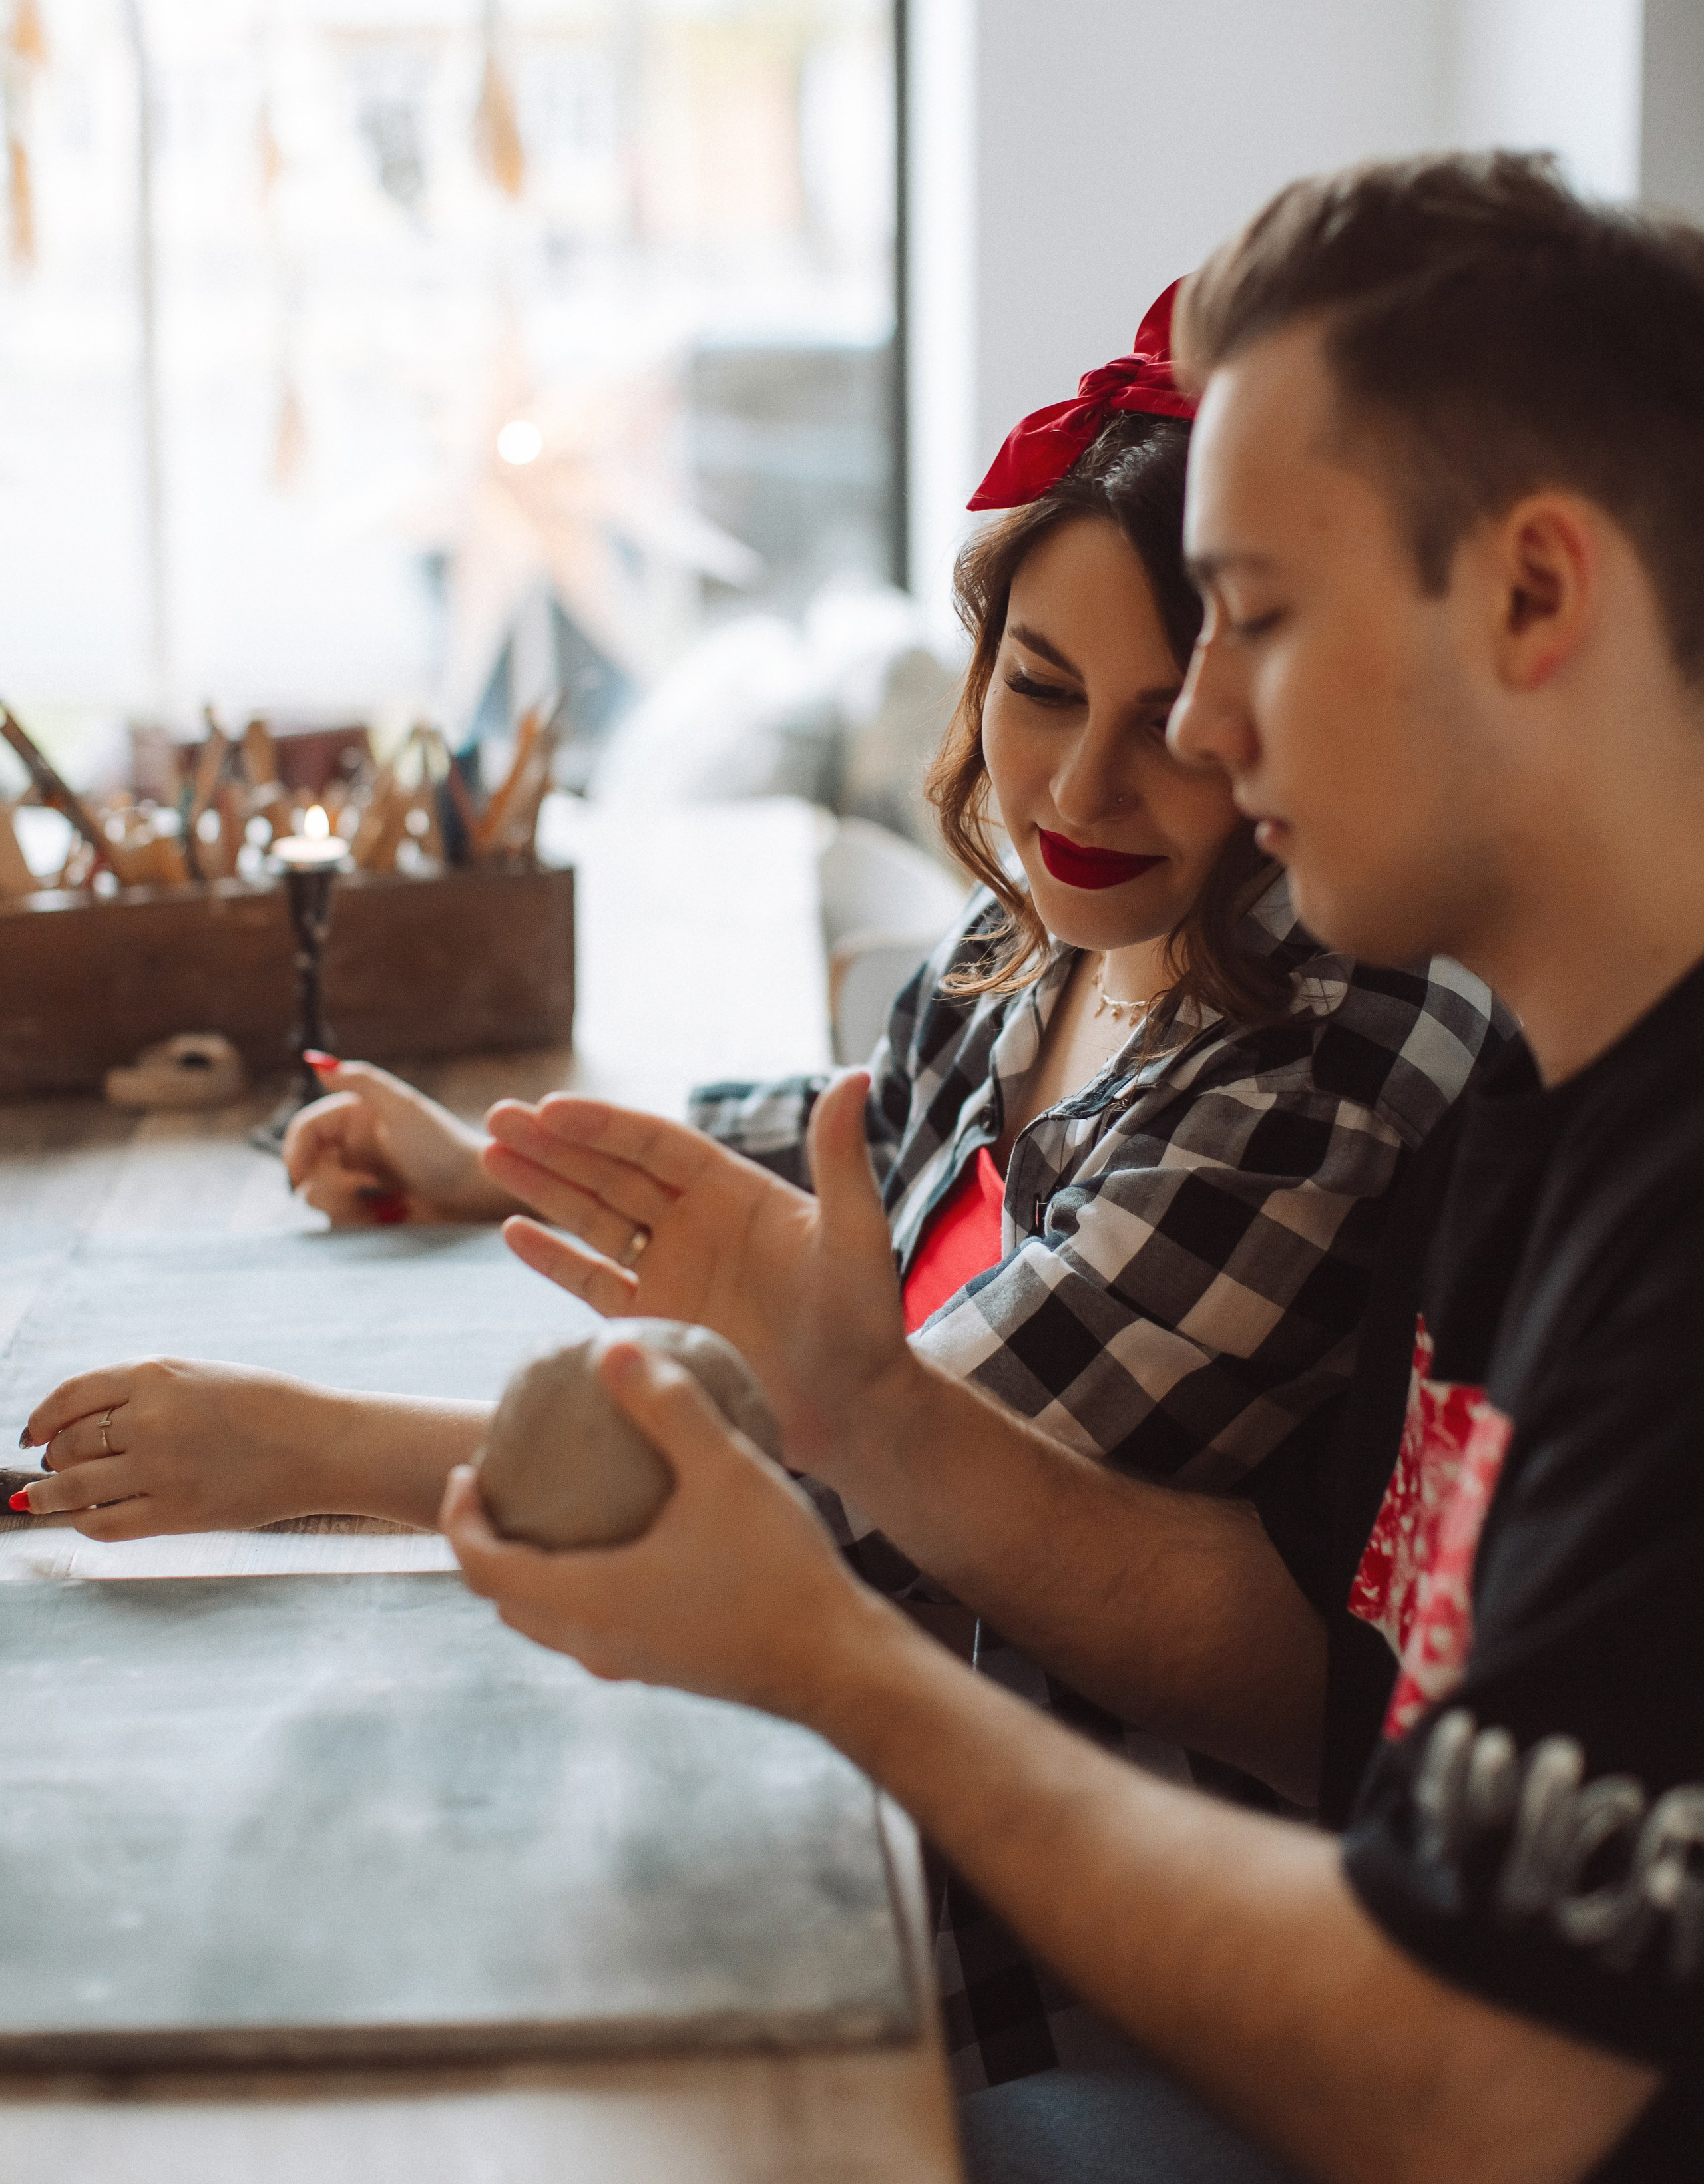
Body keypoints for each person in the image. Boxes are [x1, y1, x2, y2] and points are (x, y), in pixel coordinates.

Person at [17, 291, 1502, 2090]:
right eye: (1038, 691)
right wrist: (495, 1163)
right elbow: (846, 1138)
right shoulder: (1055, 923)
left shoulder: (1331, 1051)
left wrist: (306, 1451)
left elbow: (874, 1462)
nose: (1084, 785)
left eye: (1169, 725)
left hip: (1064, 1933)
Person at [435, 152, 1704, 2184]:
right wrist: (864, 1414)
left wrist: (830, 1657)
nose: (1197, 721)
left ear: (1537, 593)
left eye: (1256, 620)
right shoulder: (1542, 1121)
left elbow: (1474, 2082)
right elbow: (1354, 1735)